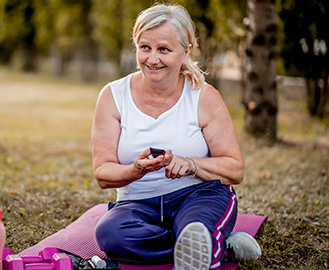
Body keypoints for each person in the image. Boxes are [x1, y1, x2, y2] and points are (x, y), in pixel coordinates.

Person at [91, 3, 261, 269]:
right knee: (111, 233)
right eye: (145, 47)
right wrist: (135, 170)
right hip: (138, 203)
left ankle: (201, 240)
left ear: (186, 51)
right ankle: (215, 246)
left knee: (196, 226)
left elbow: (234, 169)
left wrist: (192, 164)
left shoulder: (204, 96)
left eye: (164, 50)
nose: (152, 58)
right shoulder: (113, 96)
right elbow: (102, 173)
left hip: (198, 194)